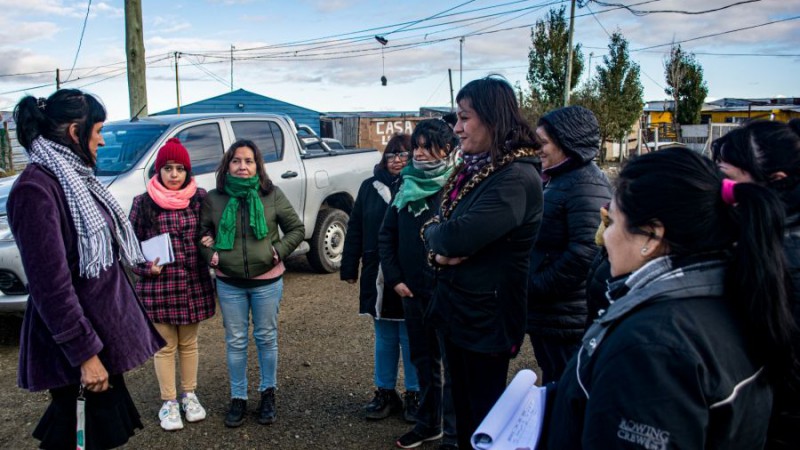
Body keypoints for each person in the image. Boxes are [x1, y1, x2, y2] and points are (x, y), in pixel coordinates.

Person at [546, 147, 796, 449]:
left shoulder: (652, 347)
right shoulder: (732, 296)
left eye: (611, 222)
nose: (603, 238)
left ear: (651, 236)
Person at [7, 89, 164, 449]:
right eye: (98, 131)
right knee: (78, 438)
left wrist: (138, 265)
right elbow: (51, 287)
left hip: (100, 339)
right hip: (79, 350)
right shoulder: (36, 189)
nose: (102, 139)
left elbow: (98, 249)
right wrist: (86, 356)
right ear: (76, 133)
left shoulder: (74, 178)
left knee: (98, 437)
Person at [421, 76, 544, 449]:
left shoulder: (515, 178)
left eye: (464, 118)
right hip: (458, 312)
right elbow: (435, 226)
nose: (456, 128)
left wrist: (441, 237)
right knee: (459, 407)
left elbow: (455, 236)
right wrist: (436, 240)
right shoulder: (474, 170)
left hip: (485, 321)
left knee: (484, 418)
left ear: (493, 118)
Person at [199, 139, 304, 428]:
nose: (242, 166)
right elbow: (202, 233)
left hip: (267, 281)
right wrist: (212, 255)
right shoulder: (214, 198)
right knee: (235, 341)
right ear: (227, 165)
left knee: (266, 338)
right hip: (229, 282)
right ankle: (238, 398)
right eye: (236, 160)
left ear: (257, 165)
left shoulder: (271, 194)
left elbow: (296, 229)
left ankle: (268, 393)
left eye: (248, 161)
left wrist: (278, 252)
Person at [711, 120, 800, 450]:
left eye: (730, 181)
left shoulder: (781, 253)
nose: (721, 191)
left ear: (775, 181)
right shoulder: (754, 231)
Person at [379, 119, 459, 449]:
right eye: (418, 147)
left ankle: (454, 434)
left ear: (448, 149)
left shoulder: (458, 185)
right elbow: (387, 235)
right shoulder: (404, 185)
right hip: (412, 293)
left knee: (453, 367)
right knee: (423, 361)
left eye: (430, 146)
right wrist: (396, 279)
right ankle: (428, 424)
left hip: (447, 292)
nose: (422, 154)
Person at [128, 138, 216, 431]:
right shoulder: (143, 203)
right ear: (159, 170)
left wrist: (212, 241)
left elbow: (214, 230)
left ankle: (189, 395)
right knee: (165, 347)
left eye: (180, 168)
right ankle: (169, 402)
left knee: (189, 344)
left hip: (192, 285)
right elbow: (130, 247)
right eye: (168, 168)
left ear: (188, 172)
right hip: (159, 288)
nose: (174, 174)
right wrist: (144, 267)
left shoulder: (200, 198)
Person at [526, 105, 611, 383]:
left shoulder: (585, 184)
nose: (538, 149)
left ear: (568, 142)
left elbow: (585, 253)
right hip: (551, 314)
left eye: (544, 142)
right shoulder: (558, 179)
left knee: (564, 385)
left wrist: (537, 285)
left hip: (565, 315)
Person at [340, 133, 420, 422]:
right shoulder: (369, 187)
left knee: (411, 337)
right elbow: (356, 227)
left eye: (404, 154)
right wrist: (349, 267)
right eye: (392, 155)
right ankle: (385, 392)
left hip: (410, 275)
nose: (398, 160)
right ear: (384, 158)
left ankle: (415, 393)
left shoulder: (420, 186)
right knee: (385, 337)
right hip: (378, 275)